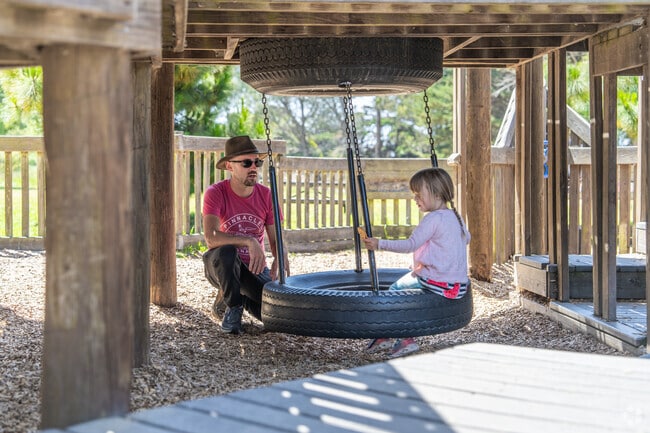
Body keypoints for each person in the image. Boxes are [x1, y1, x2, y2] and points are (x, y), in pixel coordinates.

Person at [362, 167, 470, 357]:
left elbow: (410, 245)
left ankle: (402, 338)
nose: (415, 199)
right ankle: (388, 335)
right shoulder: (456, 217)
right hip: (458, 285)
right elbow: (463, 240)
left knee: (395, 291)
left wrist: (379, 244)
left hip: (438, 282)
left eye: (419, 194)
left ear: (436, 194)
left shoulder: (433, 219)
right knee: (409, 281)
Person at [202, 135, 290, 334]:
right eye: (246, 162)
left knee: (276, 315)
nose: (254, 167)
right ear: (229, 167)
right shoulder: (216, 193)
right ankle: (232, 305)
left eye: (257, 162)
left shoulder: (266, 195)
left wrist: (280, 255)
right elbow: (211, 237)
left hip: (254, 269)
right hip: (221, 266)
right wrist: (249, 241)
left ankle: (236, 297)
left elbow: (276, 238)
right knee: (227, 252)